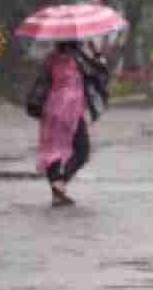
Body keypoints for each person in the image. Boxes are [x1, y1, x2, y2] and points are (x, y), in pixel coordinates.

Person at [36, 40, 110, 206]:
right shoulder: (79, 59)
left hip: (50, 109)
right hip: (71, 110)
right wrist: (98, 53)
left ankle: (57, 195)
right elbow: (100, 73)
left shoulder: (51, 59)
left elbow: (43, 82)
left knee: (52, 151)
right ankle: (60, 183)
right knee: (83, 150)